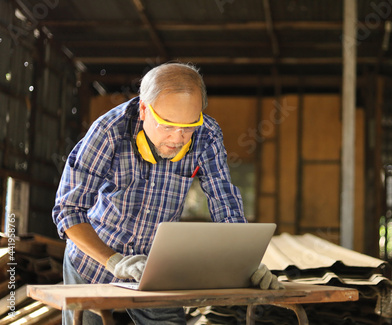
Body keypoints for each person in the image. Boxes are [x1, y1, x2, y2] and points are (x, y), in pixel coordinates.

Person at [52, 62, 281, 325]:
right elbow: (69, 211)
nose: (179, 137)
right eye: (168, 125)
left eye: (188, 125)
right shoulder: (108, 132)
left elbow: (225, 202)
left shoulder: (206, 135)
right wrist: (114, 261)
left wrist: (245, 264)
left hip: (154, 270)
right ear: (143, 110)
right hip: (91, 262)